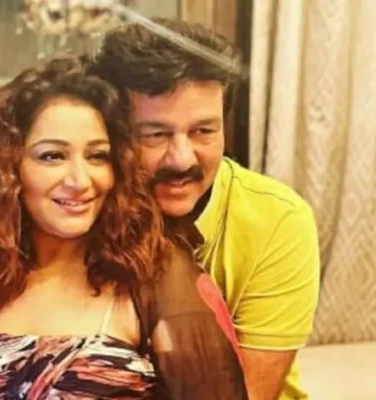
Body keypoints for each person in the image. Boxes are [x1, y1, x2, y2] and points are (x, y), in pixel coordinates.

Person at [0, 55, 248, 399]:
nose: (80, 181)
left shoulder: (157, 273)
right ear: (5, 169)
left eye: (97, 156)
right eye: (52, 156)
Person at [91, 18, 321, 400]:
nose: (182, 159)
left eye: (204, 131)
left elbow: (250, 393)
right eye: (155, 134)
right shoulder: (84, 203)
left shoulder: (278, 220)